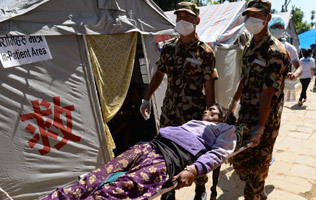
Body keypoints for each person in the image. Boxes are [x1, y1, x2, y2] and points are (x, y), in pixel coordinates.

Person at [43, 104, 238, 200]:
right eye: (208, 109)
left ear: (223, 118)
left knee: (115, 191)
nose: (207, 112)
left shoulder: (224, 129)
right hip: (148, 147)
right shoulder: (193, 123)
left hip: (166, 161)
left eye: (214, 111)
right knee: (95, 177)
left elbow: (220, 152)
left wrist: (194, 170)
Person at [139, 2, 218, 200]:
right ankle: (168, 192)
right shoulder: (169, 48)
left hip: (193, 113)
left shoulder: (206, 53)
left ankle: (200, 188)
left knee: (198, 151)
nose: (182, 20)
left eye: (187, 16)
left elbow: (209, 87)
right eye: (179, 16)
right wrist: (146, 99)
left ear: (197, 20)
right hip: (170, 112)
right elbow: (158, 75)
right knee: (165, 151)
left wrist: (210, 117)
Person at [228, 0, 291, 199]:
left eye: (257, 16)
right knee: (238, 161)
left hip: (266, 121)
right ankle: (258, 191)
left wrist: (261, 127)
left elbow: (268, 92)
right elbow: (244, 78)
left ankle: (256, 192)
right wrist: (234, 102)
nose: (251, 20)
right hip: (246, 116)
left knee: (255, 174)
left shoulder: (275, 52)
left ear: (268, 18)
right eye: (249, 16)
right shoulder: (249, 47)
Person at [269, 15, 303, 80]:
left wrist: (294, 75)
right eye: (274, 26)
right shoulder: (264, 44)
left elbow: (299, 67)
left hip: (282, 85)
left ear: (284, 29)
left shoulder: (289, 48)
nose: (277, 29)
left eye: (280, 27)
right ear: (269, 28)